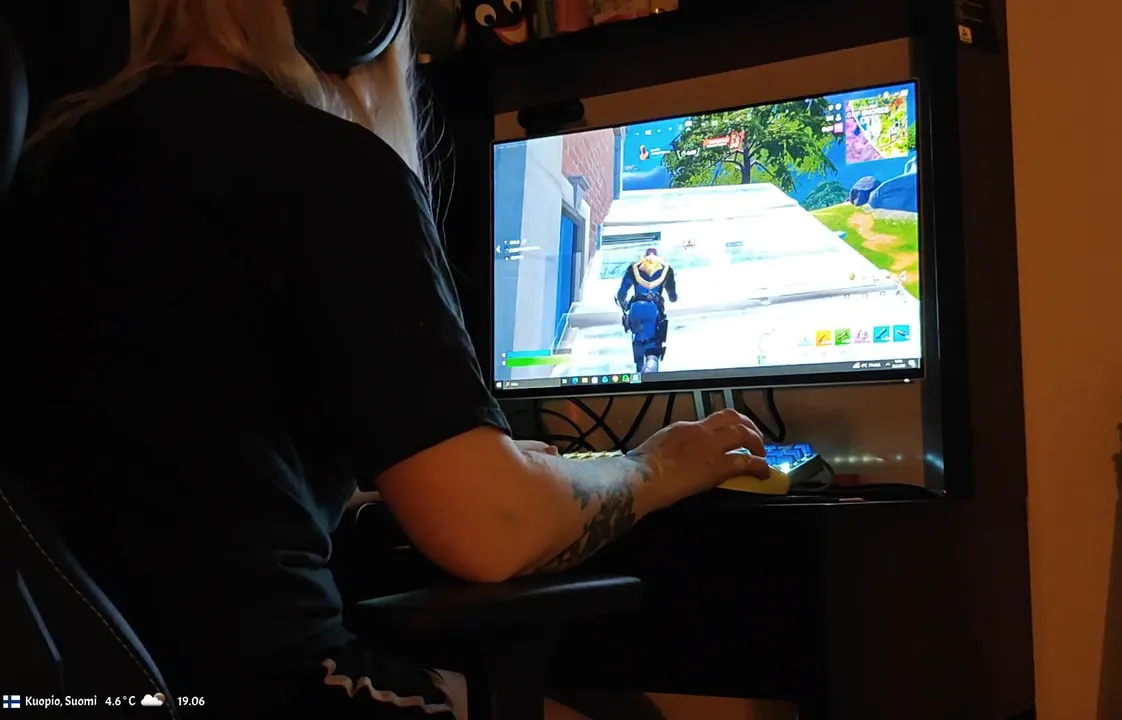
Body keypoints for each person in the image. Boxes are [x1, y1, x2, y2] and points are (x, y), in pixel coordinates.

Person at [1, 1, 770, 717]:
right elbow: (494, 529)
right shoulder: (318, 163)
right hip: (272, 687)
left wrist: (430, 477)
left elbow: (165, 463)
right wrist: (654, 467)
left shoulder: (54, 158)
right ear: (359, 15)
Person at [616, 248, 678, 374]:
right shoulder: (666, 269)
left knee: (638, 346)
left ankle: (639, 377)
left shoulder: (634, 268)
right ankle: (648, 379)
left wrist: (625, 305)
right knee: (652, 355)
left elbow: (621, 295)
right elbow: (673, 298)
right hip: (653, 310)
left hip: (635, 309)